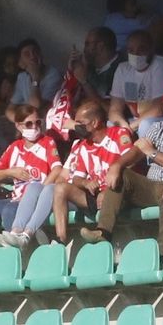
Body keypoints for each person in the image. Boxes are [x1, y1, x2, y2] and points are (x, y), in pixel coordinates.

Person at [80, 84, 163, 248]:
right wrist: (117, 165)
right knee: (122, 175)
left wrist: (153, 153)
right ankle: (103, 232)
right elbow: (137, 150)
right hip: (151, 186)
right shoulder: (157, 128)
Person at [0, 105, 61, 253]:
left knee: (9, 210)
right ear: (19, 126)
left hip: (34, 198)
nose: (34, 127)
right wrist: (10, 172)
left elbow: (57, 169)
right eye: (29, 124)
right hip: (16, 197)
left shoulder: (47, 142)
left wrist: (41, 191)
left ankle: (15, 255)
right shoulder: (15, 147)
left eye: (37, 123)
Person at [53, 101, 133, 245]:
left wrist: (108, 191)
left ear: (95, 123)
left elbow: (130, 165)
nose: (77, 127)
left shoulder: (119, 134)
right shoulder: (84, 145)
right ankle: (60, 241)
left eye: (81, 123)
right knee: (60, 188)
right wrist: (86, 183)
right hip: (95, 194)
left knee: (119, 183)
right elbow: (77, 177)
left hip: (119, 191)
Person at [108, 30, 163, 132]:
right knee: (111, 124)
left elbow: (159, 109)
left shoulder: (161, 66)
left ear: (151, 49)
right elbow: (114, 109)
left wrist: (130, 128)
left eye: (141, 49)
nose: (136, 54)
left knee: (145, 125)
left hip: (162, 120)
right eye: (131, 50)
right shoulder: (123, 69)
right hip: (134, 121)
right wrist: (123, 125)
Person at [70, 26, 122, 104]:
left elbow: (104, 107)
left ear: (100, 46)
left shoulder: (120, 70)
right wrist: (72, 71)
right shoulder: (90, 66)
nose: (84, 49)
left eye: (87, 44)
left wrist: (84, 81)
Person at [10, 38, 63, 109]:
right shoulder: (22, 77)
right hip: (29, 117)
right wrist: (18, 119)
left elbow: (36, 106)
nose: (33, 56)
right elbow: (10, 109)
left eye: (35, 52)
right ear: (21, 63)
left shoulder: (54, 75)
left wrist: (35, 77)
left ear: (41, 55)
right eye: (27, 54)